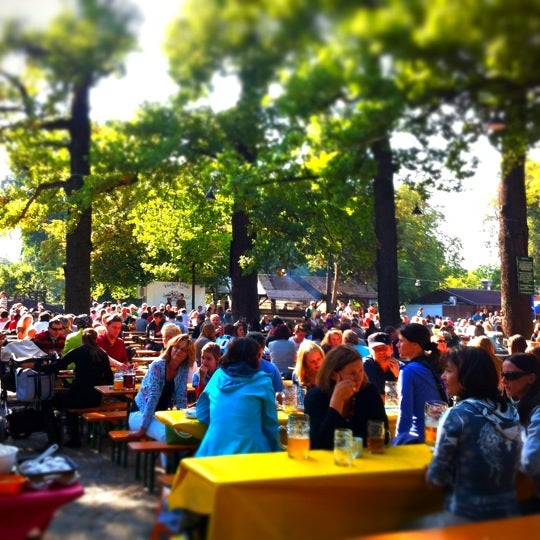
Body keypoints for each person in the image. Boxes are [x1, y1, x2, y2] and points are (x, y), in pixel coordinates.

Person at [419, 346, 521, 527]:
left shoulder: (457, 414)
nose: (443, 377)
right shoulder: (510, 411)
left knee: (404, 528)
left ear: (467, 377)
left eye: (448, 371)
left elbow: (436, 479)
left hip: (466, 518)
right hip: (508, 515)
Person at [195, 337, 280, 457]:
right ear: (256, 358)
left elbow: (201, 412)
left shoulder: (218, 376)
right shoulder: (263, 382)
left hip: (212, 453)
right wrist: (277, 453)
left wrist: (225, 426)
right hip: (249, 455)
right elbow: (270, 425)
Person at [304, 345, 388, 449]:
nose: (358, 378)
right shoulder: (315, 397)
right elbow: (319, 444)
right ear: (333, 375)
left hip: (367, 460)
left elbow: (384, 434)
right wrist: (336, 401)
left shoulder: (369, 392)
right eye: (352, 373)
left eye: (361, 371)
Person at [53, 328, 114, 447]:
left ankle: (70, 436)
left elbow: (58, 365)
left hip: (78, 398)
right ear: (96, 339)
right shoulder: (102, 353)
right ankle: (77, 432)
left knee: (55, 399)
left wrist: (38, 367)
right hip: (96, 398)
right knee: (69, 398)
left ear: (82, 339)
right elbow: (109, 377)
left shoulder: (78, 351)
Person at [128, 334, 196, 441]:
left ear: (188, 354)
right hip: (140, 413)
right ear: (171, 347)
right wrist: (142, 429)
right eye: (176, 347)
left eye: (183, 350)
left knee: (185, 436)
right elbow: (153, 398)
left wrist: (183, 423)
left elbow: (181, 399)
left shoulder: (183, 368)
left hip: (161, 415)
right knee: (167, 436)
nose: (178, 351)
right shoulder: (158, 365)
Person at [394, 323, 448, 445]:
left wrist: (398, 442)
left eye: (401, 341)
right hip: (442, 435)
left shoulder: (408, 372)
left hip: (418, 438)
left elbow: (405, 414)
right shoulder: (436, 365)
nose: (397, 345)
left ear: (415, 345)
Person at [501, 353, 540, 514]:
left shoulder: (537, 411)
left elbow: (529, 461)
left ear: (531, 378)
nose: (504, 380)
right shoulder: (518, 404)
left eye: (511, 376)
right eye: (503, 375)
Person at [363, 332, 399, 399]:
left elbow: (405, 394)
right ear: (370, 350)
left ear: (391, 348)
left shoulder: (400, 367)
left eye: (384, 348)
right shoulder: (364, 366)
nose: (381, 352)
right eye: (377, 349)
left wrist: (397, 376)